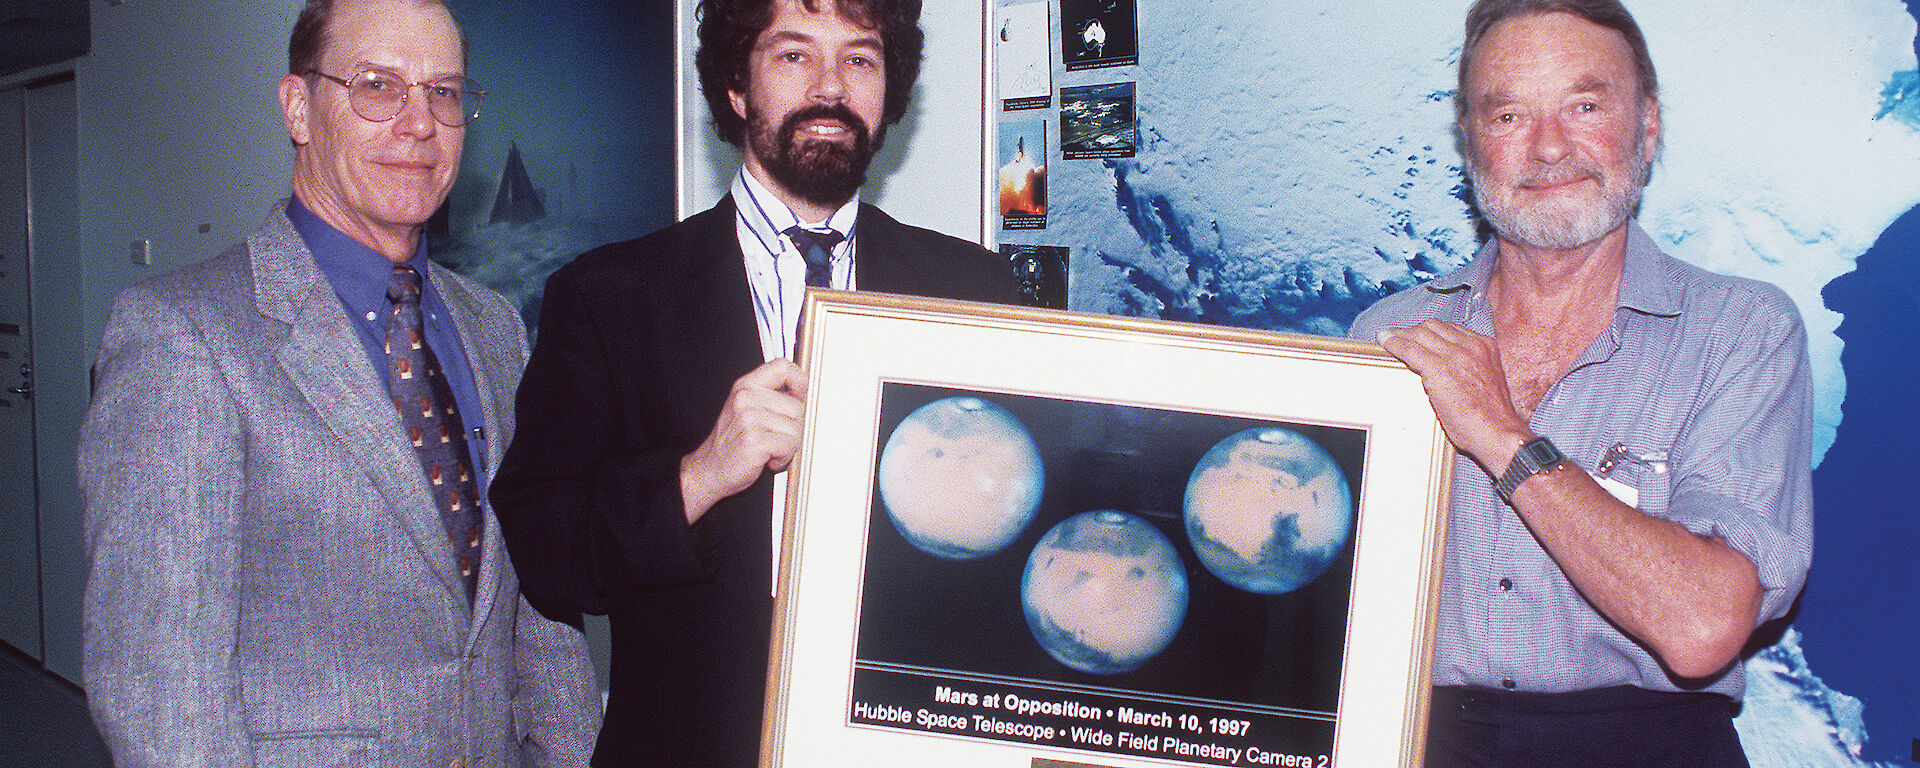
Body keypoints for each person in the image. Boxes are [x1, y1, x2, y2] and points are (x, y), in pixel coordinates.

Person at [488, 0, 1019, 764]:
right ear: (737, 88)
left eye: (860, 59)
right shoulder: (610, 295)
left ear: (888, 90)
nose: (831, 86)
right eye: (794, 55)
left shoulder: (972, 292)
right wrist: (696, 475)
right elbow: (544, 553)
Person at [76, 1, 601, 766]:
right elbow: (164, 697)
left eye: (444, 92)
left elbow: (536, 611)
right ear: (298, 107)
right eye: (378, 86)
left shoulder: (494, 328)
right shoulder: (182, 337)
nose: (420, 123)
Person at [1349, 0, 1812, 764]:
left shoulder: (1742, 332)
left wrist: (1503, 434)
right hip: (1414, 738)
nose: (1549, 147)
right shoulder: (1388, 338)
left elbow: (1702, 628)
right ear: (1470, 141)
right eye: (1508, 117)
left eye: (1585, 105)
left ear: (1648, 125)